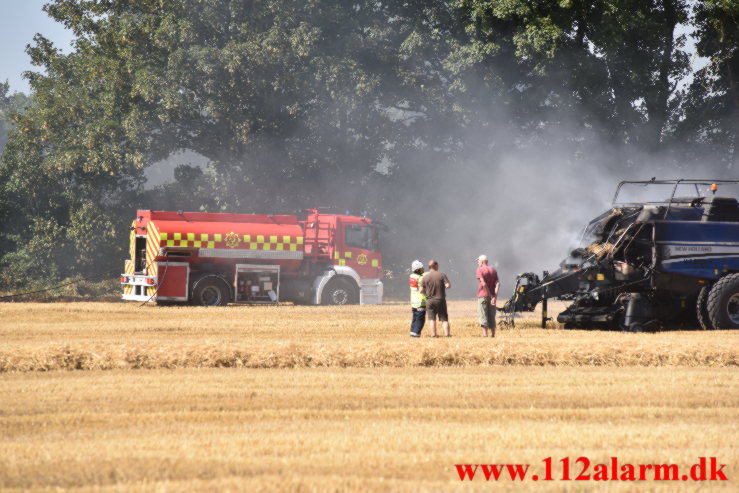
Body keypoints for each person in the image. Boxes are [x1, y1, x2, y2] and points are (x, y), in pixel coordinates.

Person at [420, 259, 452, 337]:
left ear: (429, 267)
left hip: (430, 300)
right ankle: (447, 334)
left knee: (432, 319)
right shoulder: (442, 275)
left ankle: (433, 335)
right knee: (444, 319)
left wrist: (427, 293)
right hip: (440, 299)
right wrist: (446, 286)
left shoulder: (425, 277)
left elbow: (421, 290)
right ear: (436, 266)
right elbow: (448, 285)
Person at [476, 254, 499, 337]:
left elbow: (484, 283)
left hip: (483, 296)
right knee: (492, 315)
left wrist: (489, 295)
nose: (478, 263)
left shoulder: (480, 270)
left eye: (478, 261)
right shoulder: (493, 270)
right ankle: (493, 334)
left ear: (482, 262)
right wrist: (494, 297)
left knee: (483, 315)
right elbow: (498, 284)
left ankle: (485, 335)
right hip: (492, 297)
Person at [409, 260, 426, 337]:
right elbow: (422, 289)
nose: (423, 269)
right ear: (418, 269)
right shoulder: (420, 278)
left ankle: (412, 332)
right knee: (420, 319)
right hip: (420, 301)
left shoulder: (412, 276)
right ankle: (416, 333)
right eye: (422, 268)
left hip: (413, 301)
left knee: (415, 318)